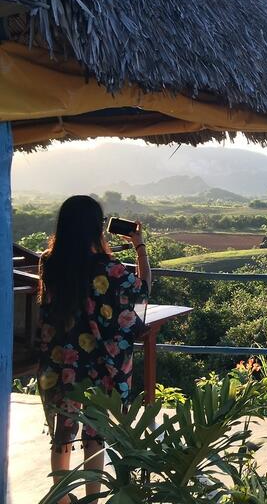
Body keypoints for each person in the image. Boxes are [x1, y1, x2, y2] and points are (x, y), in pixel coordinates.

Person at [36, 195, 152, 503]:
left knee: (63, 429)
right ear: (94, 229)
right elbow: (142, 289)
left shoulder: (48, 262)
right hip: (98, 363)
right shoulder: (108, 269)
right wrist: (138, 244)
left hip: (60, 362)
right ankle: (91, 499)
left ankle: (60, 498)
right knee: (94, 431)